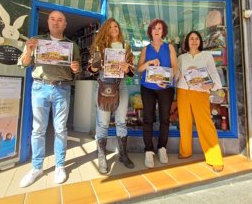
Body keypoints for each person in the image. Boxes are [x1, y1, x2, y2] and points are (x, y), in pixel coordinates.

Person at [18, 11, 80, 187]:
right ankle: (37, 168)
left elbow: (77, 68)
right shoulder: (36, 40)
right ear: (48, 21)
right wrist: (29, 51)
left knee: (61, 129)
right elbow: (23, 63)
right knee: (38, 129)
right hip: (40, 87)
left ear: (65, 24)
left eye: (60, 19)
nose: (56, 22)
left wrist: (75, 68)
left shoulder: (72, 45)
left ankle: (60, 166)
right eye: (53, 19)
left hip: (62, 87)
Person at [88, 18, 134, 174]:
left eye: (116, 26)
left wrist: (127, 68)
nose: (114, 28)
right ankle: (101, 155)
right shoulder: (99, 47)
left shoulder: (126, 47)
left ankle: (123, 154)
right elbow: (92, 70)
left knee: (122, 121)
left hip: (121, 86)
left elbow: (131, 72)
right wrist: (97, 65)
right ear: (105, 30)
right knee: (103, 123)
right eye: (110, 27)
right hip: (104, 86)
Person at [176, 30, 224, 172]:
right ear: (187, 42)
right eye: (191, 38)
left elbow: (214, 74)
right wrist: (176, 75)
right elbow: (177, 73)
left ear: (200, 41)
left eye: (197, 38)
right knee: (184, 123)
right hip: (183, 91)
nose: (194, 41)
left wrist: (211, 85)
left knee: (205, 124)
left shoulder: (207, 56)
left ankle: (215, 158)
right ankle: (185, 151)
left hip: (200, 93)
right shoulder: (181, 57)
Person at [137, 19, 178, 168]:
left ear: (163, 31)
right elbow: (139, 69)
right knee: (148, 118)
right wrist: (148, 63)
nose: (157, 30)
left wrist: (166, 81)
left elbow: (175, 68)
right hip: (147, 88)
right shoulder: (145, 49)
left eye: (160, 28)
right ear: (150, 31)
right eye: (154, 28)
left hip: (166, 89)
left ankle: (162, 148)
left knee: (165, 119)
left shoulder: (170, 47)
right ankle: (148, 150)